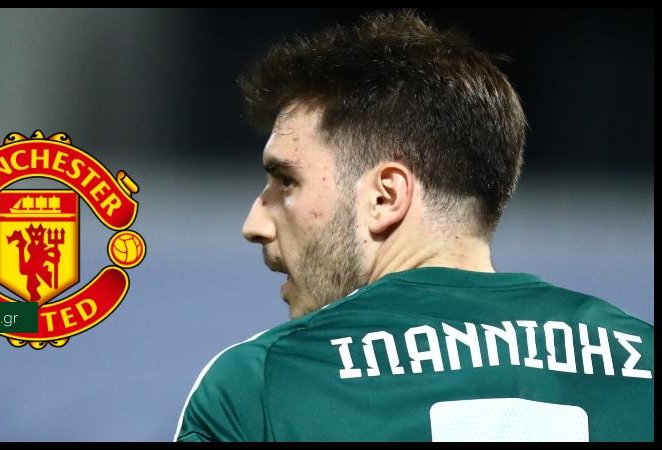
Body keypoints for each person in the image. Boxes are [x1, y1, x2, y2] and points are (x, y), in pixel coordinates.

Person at [174, 10, 653, 442]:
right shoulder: (643, 360)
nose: (255, 223)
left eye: (286, 181)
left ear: (385, 197)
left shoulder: (263, 385)